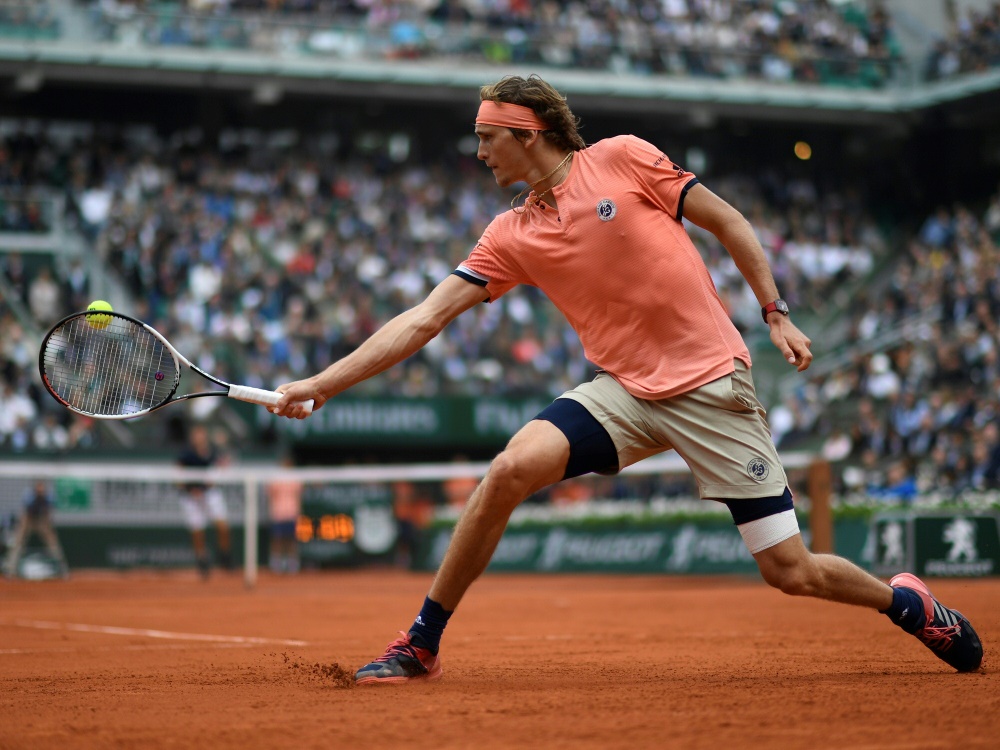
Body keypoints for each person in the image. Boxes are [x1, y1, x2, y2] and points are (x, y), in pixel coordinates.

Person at [273, 74, 983, 682]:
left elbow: (730, 222)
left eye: (489, 136)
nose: (479, 150)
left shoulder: (622, 159)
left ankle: (906, 604)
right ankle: (421, 642)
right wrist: (323, 384)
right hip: (626, 393)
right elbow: (423, 319)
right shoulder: (509, 232)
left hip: (711, 384)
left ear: (531, 131)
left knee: (790, 572)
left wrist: (775, 312)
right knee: (510, 468)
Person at [177, 423, 233, 579]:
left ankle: (225, 556)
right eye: (196, 434)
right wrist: (190, 489)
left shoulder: (214, 452)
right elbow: (178, 475)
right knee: (197, 530)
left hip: (209, 494)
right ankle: (202, 561)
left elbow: (221, 468)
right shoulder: (185, 454)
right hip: (190, 496)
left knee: (223, 525)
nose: (198, 437)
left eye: (201, 434)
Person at [2, 479, 69, 579]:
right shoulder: (28, 495)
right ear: (35, 488)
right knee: (17, 543)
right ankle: (10, 570)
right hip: (28, 520)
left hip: (41, 520)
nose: (40, 489)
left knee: (53, 543)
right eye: (39, 487)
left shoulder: (49, 496)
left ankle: (62, 569)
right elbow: (28, 509)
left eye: (42, 487)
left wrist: (47, 523)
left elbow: (51, 508)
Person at [267, 454, 303, 574]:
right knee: (277, 539)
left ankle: (292, 563)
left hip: (292, 513)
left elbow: (299, 494)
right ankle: (276, 563)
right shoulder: (275, 479)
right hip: (278, 513)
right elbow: (271, 493)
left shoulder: (296, 478)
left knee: (291, 540)